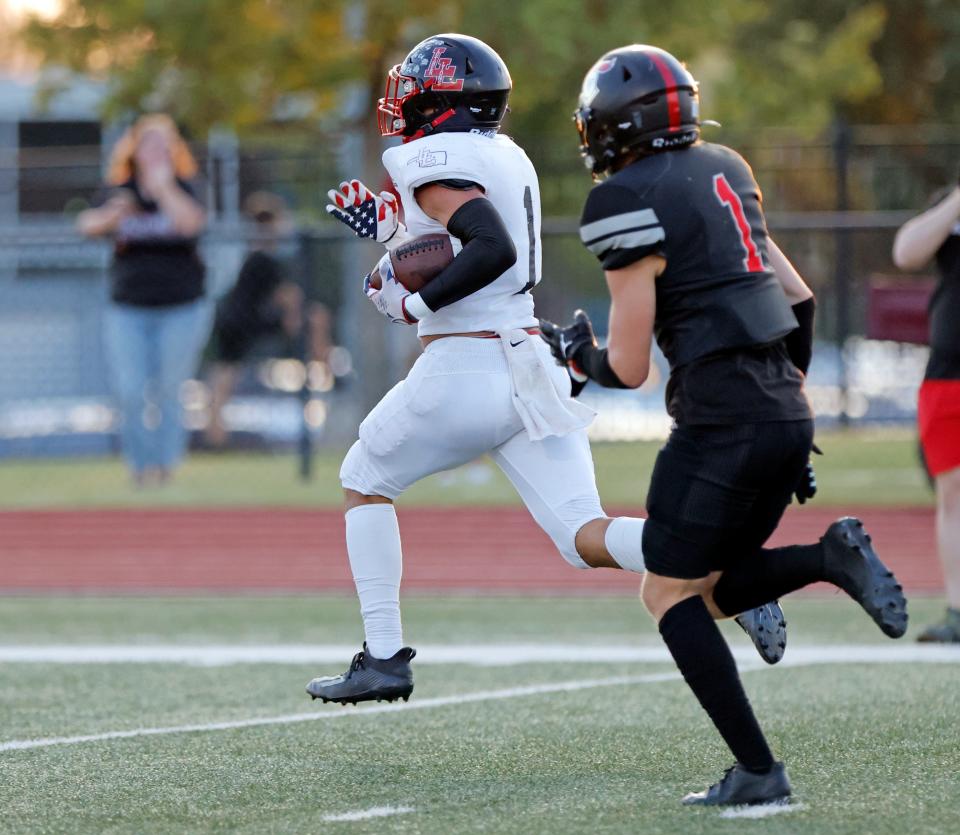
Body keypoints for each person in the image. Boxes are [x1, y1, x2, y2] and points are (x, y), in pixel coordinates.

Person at [305, 34, 785, 707]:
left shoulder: (428, 158)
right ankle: (728, 560)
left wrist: (413, 298)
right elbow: (457, 231)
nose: (403, 96)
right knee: (581, 533)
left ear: (439, 96)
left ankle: (383, 657)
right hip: (530, 362)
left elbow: (488, 246)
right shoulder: (504, 154)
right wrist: (392, 231)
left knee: (363, 477)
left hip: (468, 362)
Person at [542, 44, 908, 806]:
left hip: (718, 420)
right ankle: (828, 559)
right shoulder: (726, 169)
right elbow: (800, 300)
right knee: (705, 587)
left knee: (667, 595)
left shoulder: (621, 201)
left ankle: (759, 769)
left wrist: (580, 359)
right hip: (781, 405)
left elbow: (632, 365)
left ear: (616, 124)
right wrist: (790, 412)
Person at [77, 114, 208, 486]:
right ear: (134, 149)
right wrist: (111, 215)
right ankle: (140, 466)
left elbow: (191, 224)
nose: (155, 151)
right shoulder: (119, 188)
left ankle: (165, 467)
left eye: (162, 144)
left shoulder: (187, 186)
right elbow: (85, 225)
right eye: (147, 144)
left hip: (181, 305)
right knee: (130, 389)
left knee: (170, 388)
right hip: (128, 306)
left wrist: (164, 190)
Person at [204, 192, 327, 448]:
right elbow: (288, 297)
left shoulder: (261, 255)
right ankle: (215, 436)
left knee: (223, 378)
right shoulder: (262, 257)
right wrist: (296, 324)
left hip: (247, 320)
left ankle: (215, 434)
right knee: (224, 378)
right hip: (239, 322)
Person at [893, 176, 960, 642]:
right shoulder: (949, 209)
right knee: (953, 494)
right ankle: (958, 611)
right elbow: (906, 253)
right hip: (949, 375)